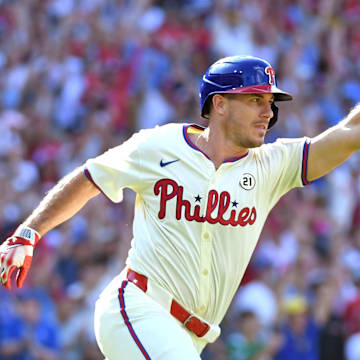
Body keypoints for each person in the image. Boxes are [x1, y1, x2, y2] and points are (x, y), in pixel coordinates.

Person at [0, 55, 359, 359]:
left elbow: (348, 133)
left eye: (270, 102)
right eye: (255, 100)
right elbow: (89, 178)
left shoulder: (273, 164)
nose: (268, 111)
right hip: (139, 307)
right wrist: (29, 232)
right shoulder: (159, 146)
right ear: (219, 103)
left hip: (194, 336)